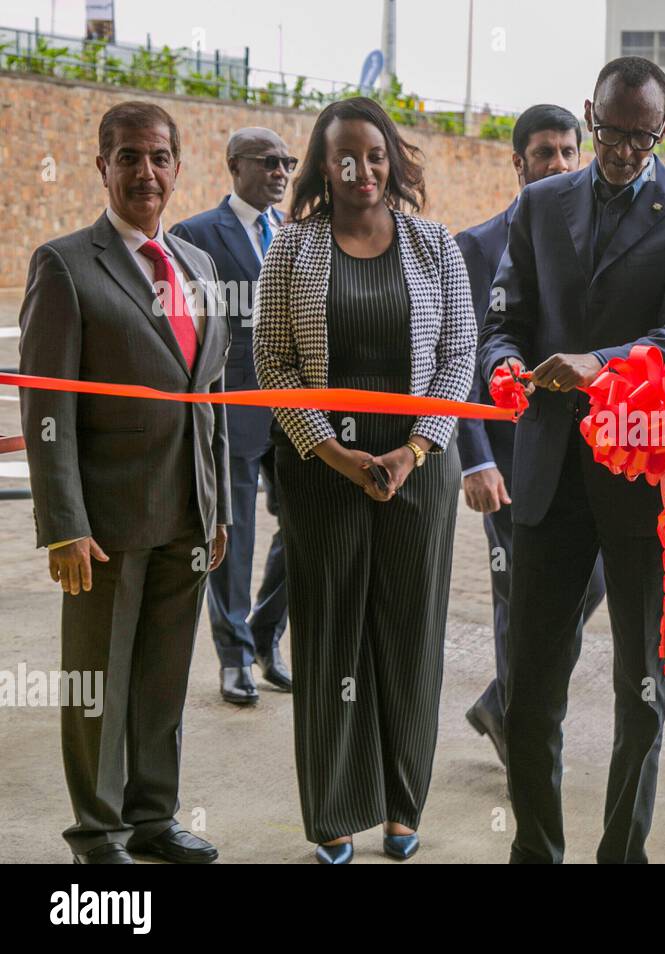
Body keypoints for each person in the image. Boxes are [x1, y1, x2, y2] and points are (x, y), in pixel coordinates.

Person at [479, 56, 665, 863]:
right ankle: (535, 851)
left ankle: (624, 851)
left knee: (641, 692)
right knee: (530, 693)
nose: (623, 149)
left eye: (641, 135)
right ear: (591, 115)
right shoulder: (540, 204)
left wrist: (603, 362)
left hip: (643, 482)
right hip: (547, 479)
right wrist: (503, 365)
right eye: (611, 132)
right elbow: (507, 315)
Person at [253, 97, 476, 864]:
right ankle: (334, 812)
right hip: (322, 471)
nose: (363, 169)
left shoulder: (433, 243)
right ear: (325, 166)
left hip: (418, 467)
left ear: (392, 160)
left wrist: (414, 451)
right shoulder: (293, 248)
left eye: (376, 154)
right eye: (346, 156)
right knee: (330, 635)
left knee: (409, 633)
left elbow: (458, 355)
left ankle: (403, 806)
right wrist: (338, 454)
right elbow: (273, 364)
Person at [19, 101, 229, 864]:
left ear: (177, 165)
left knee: (163, 680)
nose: (146, 172)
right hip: (104, 524)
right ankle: (97, 832)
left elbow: (211, 401)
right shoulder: (66, 264)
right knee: (98, 682)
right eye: (129, 157)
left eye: (160, 157)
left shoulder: (201, 268)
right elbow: (47, 407)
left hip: (187, 516)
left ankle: (151, 819)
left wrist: (221, 508)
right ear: (101, 165)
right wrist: (63, 522)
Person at [454, 105, 605, 765]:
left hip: (588, 455)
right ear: (518, 164)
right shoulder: (476, 247)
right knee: (520, 594)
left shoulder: (591, 241)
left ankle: (507, 703)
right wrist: (475, 461)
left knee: (590, 580)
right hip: (511, 461)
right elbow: (458, 366)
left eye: (570, 151)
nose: (560, 164)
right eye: (545, 152)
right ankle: (525, 730)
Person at [172, 127, 293, 705]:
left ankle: (266, 636)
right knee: (233, 538)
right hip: (233, 411)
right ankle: (234, 657)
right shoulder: (194, 236)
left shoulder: (294, 233)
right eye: (269, 161)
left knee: (303, 529)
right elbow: (182, 330)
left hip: (295, 411)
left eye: (288, 162)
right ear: (234, 165)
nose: (281, 171)